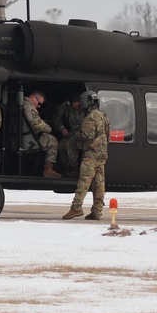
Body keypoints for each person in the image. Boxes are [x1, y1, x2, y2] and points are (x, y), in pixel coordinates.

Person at [62, 91, 110, 220]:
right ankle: (97, 211)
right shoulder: (103, 115)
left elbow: (86, 135)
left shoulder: (90, 117)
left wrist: (76, 136)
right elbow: (107, 134)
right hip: (101, 154)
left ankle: (76, 208)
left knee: (84, 181)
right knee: (99, 183)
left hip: (91, 154)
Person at [22, 89, 61, 178]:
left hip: (25, 136)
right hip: (29, 139)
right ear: (33, 98)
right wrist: (49, 128)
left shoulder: (21, 104)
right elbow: (36, 124)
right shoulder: (28, 106)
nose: (39, 106)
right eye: (39, 103)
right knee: (53, 141)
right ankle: (48, 170)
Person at [51, 92, 87, 175]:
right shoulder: (65, 107)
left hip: (83, 133)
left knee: (70, 145)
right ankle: (67, 168)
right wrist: (62, 128)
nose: (77, 107)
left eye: (78, 106)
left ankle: (76, 168)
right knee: (61, 146)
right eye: (75, 106)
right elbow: (56, 118)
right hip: (72, 133)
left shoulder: (85, 107)